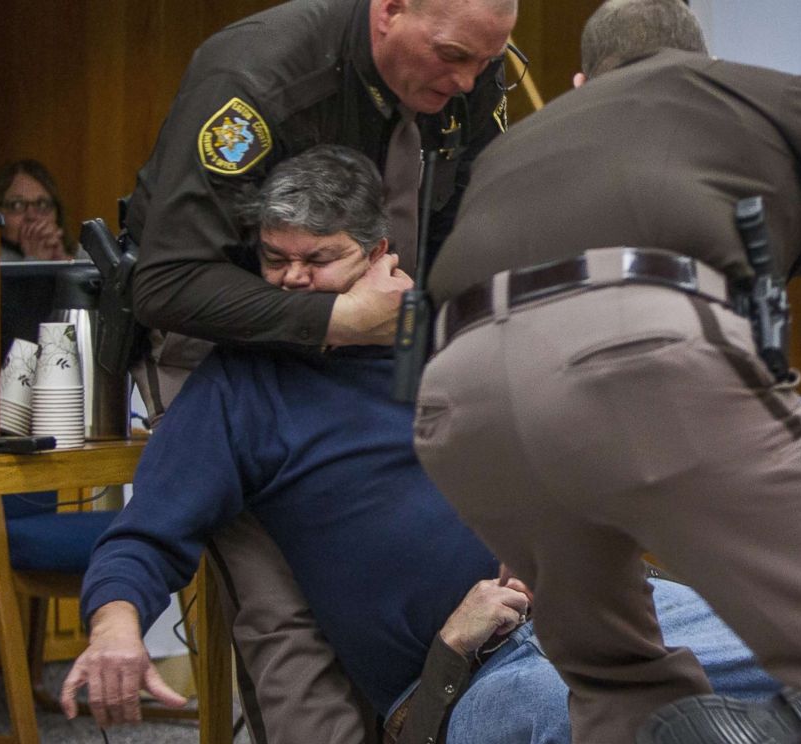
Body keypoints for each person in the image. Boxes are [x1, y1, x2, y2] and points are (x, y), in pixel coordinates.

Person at [60, 145, 781, 744]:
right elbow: (147, 533)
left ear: (378, 256)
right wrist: (115, 626)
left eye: (319, 260)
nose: (292, 282)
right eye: (275, 261)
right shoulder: (241, 386)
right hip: (479, 668)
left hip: (606, 598)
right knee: (602, 717)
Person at [412, 1, 801, 742]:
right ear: (700, 57)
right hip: (642, 347)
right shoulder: (746, 88)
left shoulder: (514, 146)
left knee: (618, 684)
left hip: (456, 399)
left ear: (585, 82)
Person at [119, 1, 517, 741]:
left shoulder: (471, 73)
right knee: (289, 620)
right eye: (452, 55)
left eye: (486, 62)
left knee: (411, 562)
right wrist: (333, 320)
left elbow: (465, 225)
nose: (467, 81)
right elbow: (167, 281)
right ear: (390, 10)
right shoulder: (256, 78)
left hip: (382, 350)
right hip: (228, 344)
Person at [0, 159, 76, 261]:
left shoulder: (83, 254)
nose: (32, 216)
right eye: (17, 205)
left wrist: (65, 264)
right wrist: (35, 261)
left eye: (42, 204)